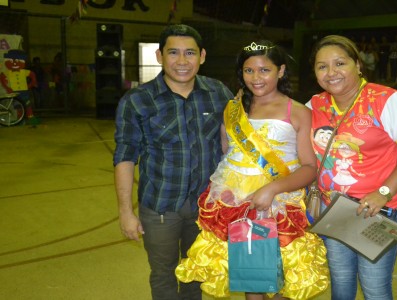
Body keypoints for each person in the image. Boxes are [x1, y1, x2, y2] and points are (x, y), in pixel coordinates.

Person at [175, 40, 329, 300]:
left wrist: (272, 188)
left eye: (264, 70)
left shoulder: (299, 111)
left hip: (279, 200)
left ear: (280, 71)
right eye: (249, 71)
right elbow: (227, 154)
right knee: (250, 271)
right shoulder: (233, 109)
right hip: (234, 199)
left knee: (281, 269)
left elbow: (309, 168)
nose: (256, 78)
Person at [113, 24, 234, 300]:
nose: (182, 61)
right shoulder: (137, 101)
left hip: (206, 206)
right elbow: (125, 156)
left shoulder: (218, 93)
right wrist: (125, 212)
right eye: (174, 53)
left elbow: (238, 141)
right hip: (160, 207)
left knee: (196, 270)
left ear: (202, 56)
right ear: (159, 56)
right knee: (163, 273)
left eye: (190, 53)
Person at [307, 35, 397, 300]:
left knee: (374, 286)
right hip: (335, 208)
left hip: (378, 209)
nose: (331, 72)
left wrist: (384, 191)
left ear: (358, 65)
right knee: (340, 279)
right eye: (322, 66)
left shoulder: (388, 100)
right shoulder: (314, 105)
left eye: (340, 63)